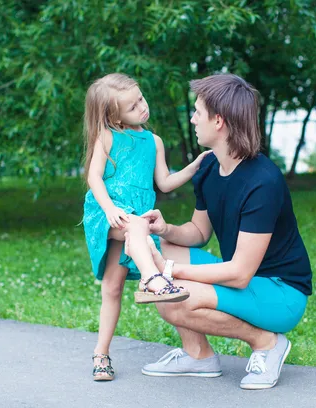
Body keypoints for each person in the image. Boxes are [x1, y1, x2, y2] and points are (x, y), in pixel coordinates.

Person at [123, 73, 312, 390]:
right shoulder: (209, 166)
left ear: (219, 121)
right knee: (160, 248)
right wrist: (165, 228)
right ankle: (198, 356)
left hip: (281, 293)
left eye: (198, 111)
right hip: (245, 280)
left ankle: (267, 342)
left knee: (171, 297)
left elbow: (238, 274)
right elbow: (198, 232)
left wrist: (168, 272)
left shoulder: (262, 181)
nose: (193, 118)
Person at [82, 73, 210, 381]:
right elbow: (94, 177)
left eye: (141, 98)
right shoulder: (107, 136)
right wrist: (110, 209)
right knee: (137, 228)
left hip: (134, 219)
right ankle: (154, 279)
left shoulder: (154, 142)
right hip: (106, 213)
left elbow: (164, 182)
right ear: (114, 116)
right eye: (131, 106)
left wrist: (193, 167)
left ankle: (101, 353)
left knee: (112, 288)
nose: (142, 107)